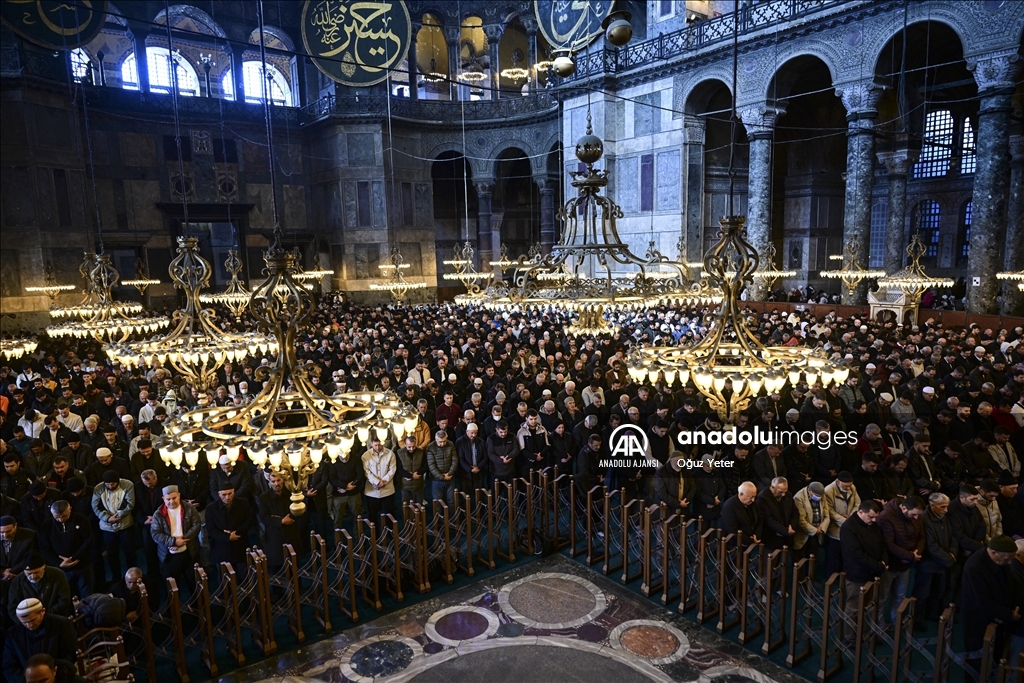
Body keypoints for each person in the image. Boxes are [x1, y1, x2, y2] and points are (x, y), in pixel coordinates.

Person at [960, 535, 1021, 675]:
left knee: (995, 656)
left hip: (997, 617)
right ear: (994, 552)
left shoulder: (1000, 562)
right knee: (978, 659)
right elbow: (981, 601)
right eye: (1008, 558)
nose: (1011, 562)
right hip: (978, 622)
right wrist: (1007, 614)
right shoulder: (974, 567)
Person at [839, 500, 887, 636]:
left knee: (869, 605)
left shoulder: (873, 524)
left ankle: (865, 632)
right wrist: (879, 566)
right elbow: (856, 555)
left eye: (876, 517)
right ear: (860, 512)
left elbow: (882, 544)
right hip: (857, 574)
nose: (874, 520)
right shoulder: (848, 527)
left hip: (873, 572)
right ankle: (850, 636)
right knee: (854, 606)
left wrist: (884, 561)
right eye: (871, 517)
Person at [876, 495, 925, 626]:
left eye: (918, 515)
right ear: (903, 508)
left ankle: (896, 623)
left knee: (900, 597)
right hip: (890, 565)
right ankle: (878, 626)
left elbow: (922, 537)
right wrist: (911, 556)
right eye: (914, 514)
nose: (916, 518)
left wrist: (916, 552)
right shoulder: (886, 517)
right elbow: (888, 544)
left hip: (906, 565)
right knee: (882, 598)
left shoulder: (916, 516)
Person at [1, 599, 77, 683]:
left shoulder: (61, 624)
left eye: (32, 620)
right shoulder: (13, 634)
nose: (29, 625)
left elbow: (69, 654)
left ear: (42, 611)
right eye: (24, 622)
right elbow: (9, 665)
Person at [912, 492, 957, 625]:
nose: (946, 510)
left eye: (947, 506)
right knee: (922, 593)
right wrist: (949, 559)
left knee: (939, 591)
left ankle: (932, 614)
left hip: (942, 563)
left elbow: (953, 537)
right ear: (932, 506)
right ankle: (916, 620)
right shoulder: (924, 519)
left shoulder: (944, 517)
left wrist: (952, 554)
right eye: (942, 507)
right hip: (928, 563)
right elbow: (930, 546)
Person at [149, 485, 201, 594]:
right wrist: (173, 542)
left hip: (189, 552)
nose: (171, 501)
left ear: (179, 496)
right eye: (168, 499)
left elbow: (196, 525)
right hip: (168, 555)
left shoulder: (189, 508)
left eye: (174, 498)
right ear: (163, 499)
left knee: (194, 583)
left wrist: (183, 540)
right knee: (171, 588)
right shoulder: (158, 514)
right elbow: (155, 533)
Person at [38, 501, 91, 599]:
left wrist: (73, 558)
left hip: (82, 564)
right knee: (66, 596)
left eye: (64, 516)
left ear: (70, 509)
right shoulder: (47, 525)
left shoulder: (82, 520)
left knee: (86, 595)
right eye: (57, 517)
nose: (61, 520)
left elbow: (88, 541)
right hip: (59, 568)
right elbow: (44, 547)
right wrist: (58, 562)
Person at [90, 470, 135, 583]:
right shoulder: (98, 488)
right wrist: (107, 518)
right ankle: (116, 579)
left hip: (125, 525)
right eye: (108, 484)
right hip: (107, 528)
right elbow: (96, 506)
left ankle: (133, 577)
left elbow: (129, 503)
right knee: (112, 555)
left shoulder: (127, 485)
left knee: (129, 552)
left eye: (113, 484)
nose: (110, 486)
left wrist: (119, 515)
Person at [257, 472, 303, 573]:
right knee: (276, 570)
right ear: (269, 482)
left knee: (294, 569)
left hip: (291, 534)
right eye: (273, 481)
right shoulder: (264, 498)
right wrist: (281, 521)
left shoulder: (292, 494)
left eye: (278, 480)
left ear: (283, 480)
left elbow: (298, 512)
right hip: (274, 537)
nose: (276, 484)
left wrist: (277, 517)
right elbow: (264, 517)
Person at [205, 483, 253, 575]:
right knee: (225, 579)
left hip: (240, 544)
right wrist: (227, 537)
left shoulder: (243, 503)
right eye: (224, 494)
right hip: (221, 547)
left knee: (245, 576)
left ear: (233, 492)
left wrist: (236, 532)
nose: (227, 497)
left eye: (230, 494)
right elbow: (211, 529)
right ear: (219, 494)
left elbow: (249, 521)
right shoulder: (211, 508)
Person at [6, 553, 71, 621]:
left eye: (36, 572)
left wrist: (42, 618)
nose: (33, 576)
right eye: (29, 574)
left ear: (44, 567)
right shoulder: (16, 582)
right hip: (28, 624)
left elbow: (64, 600)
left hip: (55, 620)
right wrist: (27, 622)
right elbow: (12, 609)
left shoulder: (57, 574)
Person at [822, 472, 860, 580]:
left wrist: (851, 517)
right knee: (833, 557)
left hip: (849, 526)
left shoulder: (852, 487)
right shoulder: (828, 490)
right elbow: (828, 510)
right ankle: (831, 580)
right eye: (845, 486)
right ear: (838, 482)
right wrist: (844, 521)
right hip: (834, 529)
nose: (848, 488)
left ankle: (843, 578)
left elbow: (858, 504)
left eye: (850, 485)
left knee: (845, 556)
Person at [325, 444, 364, 530]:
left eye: (346, 456)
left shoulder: (356, 458)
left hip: (354, 492)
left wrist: (352, 485)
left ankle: (359, 539)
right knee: (337, 519)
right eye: (341, 457)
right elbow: (332, 479)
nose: (344, 458)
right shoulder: (333, 460)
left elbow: (360, 475)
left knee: (358, 518)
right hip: (339, 494)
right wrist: (345, 486)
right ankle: (338, 541)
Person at [361, 434, 397, 521]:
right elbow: (366, 472)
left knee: (389, 516)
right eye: (375, 445)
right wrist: (377, 482)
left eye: (379, 444)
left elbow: (392, 470)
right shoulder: (365, 456)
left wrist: (383, 482)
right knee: (373, 517)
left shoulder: (390, 454)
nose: (378, 447)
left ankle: (390, 534)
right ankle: (375, 535)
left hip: (387, 490)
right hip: (372, 491)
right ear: (371, 444)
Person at [757, 476, 797, 552]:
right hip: (771, 538)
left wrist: (792, 527)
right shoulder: (762, 498)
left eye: (785, 491)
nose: (783, 495)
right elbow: (768, 519)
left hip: (786, 537)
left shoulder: (788, 495)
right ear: (772, 487)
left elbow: (795, 512)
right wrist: (785, 531)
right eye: (780, 492)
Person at [793, 481, 829, 560]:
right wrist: (815, 530)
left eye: (820, 496)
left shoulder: (822, 495)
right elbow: (801, 520)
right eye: (816, 495)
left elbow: (827, 515)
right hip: (803, 535)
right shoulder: (799, 497)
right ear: (809, 490)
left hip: (817, 534)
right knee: (800, 563)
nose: (819, 497)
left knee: (814, 561)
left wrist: (822, 528)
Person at [426, 430, 458, 508]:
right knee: (437, 503)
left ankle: (451, 519)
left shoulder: (450, 444)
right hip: (436, 479)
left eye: (444, 441)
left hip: (450, 477)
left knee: (451, 501)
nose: (443, 443)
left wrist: (449, 473)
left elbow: (455, 460)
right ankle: (438, 520)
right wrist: (442, 477)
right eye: (440, 441)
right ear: (436, 439)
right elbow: (431, 465)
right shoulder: (430, 447)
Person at [456, 424, 488, 493]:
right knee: (466, 495)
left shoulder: (481, 442)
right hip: (465, 473)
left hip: (479, 472)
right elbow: (460, 458)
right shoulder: (460, 442)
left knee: (479, 495)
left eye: (475, 433)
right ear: (467, 431)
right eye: (472, 433)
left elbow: (485, 457)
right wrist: (470, 469)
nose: (474, 435)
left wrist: (478, 467)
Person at [394, 435, 426, 505]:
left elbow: (425, 466)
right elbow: (398, 469)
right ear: (405, 444)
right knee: (406, 507)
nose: (412, 449)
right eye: (409, 447)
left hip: (418, 484)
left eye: (413, 446)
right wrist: (411, 476)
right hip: (405, 485)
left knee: (419, 506)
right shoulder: (399, 453)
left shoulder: (421, 451)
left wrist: (417, 474)